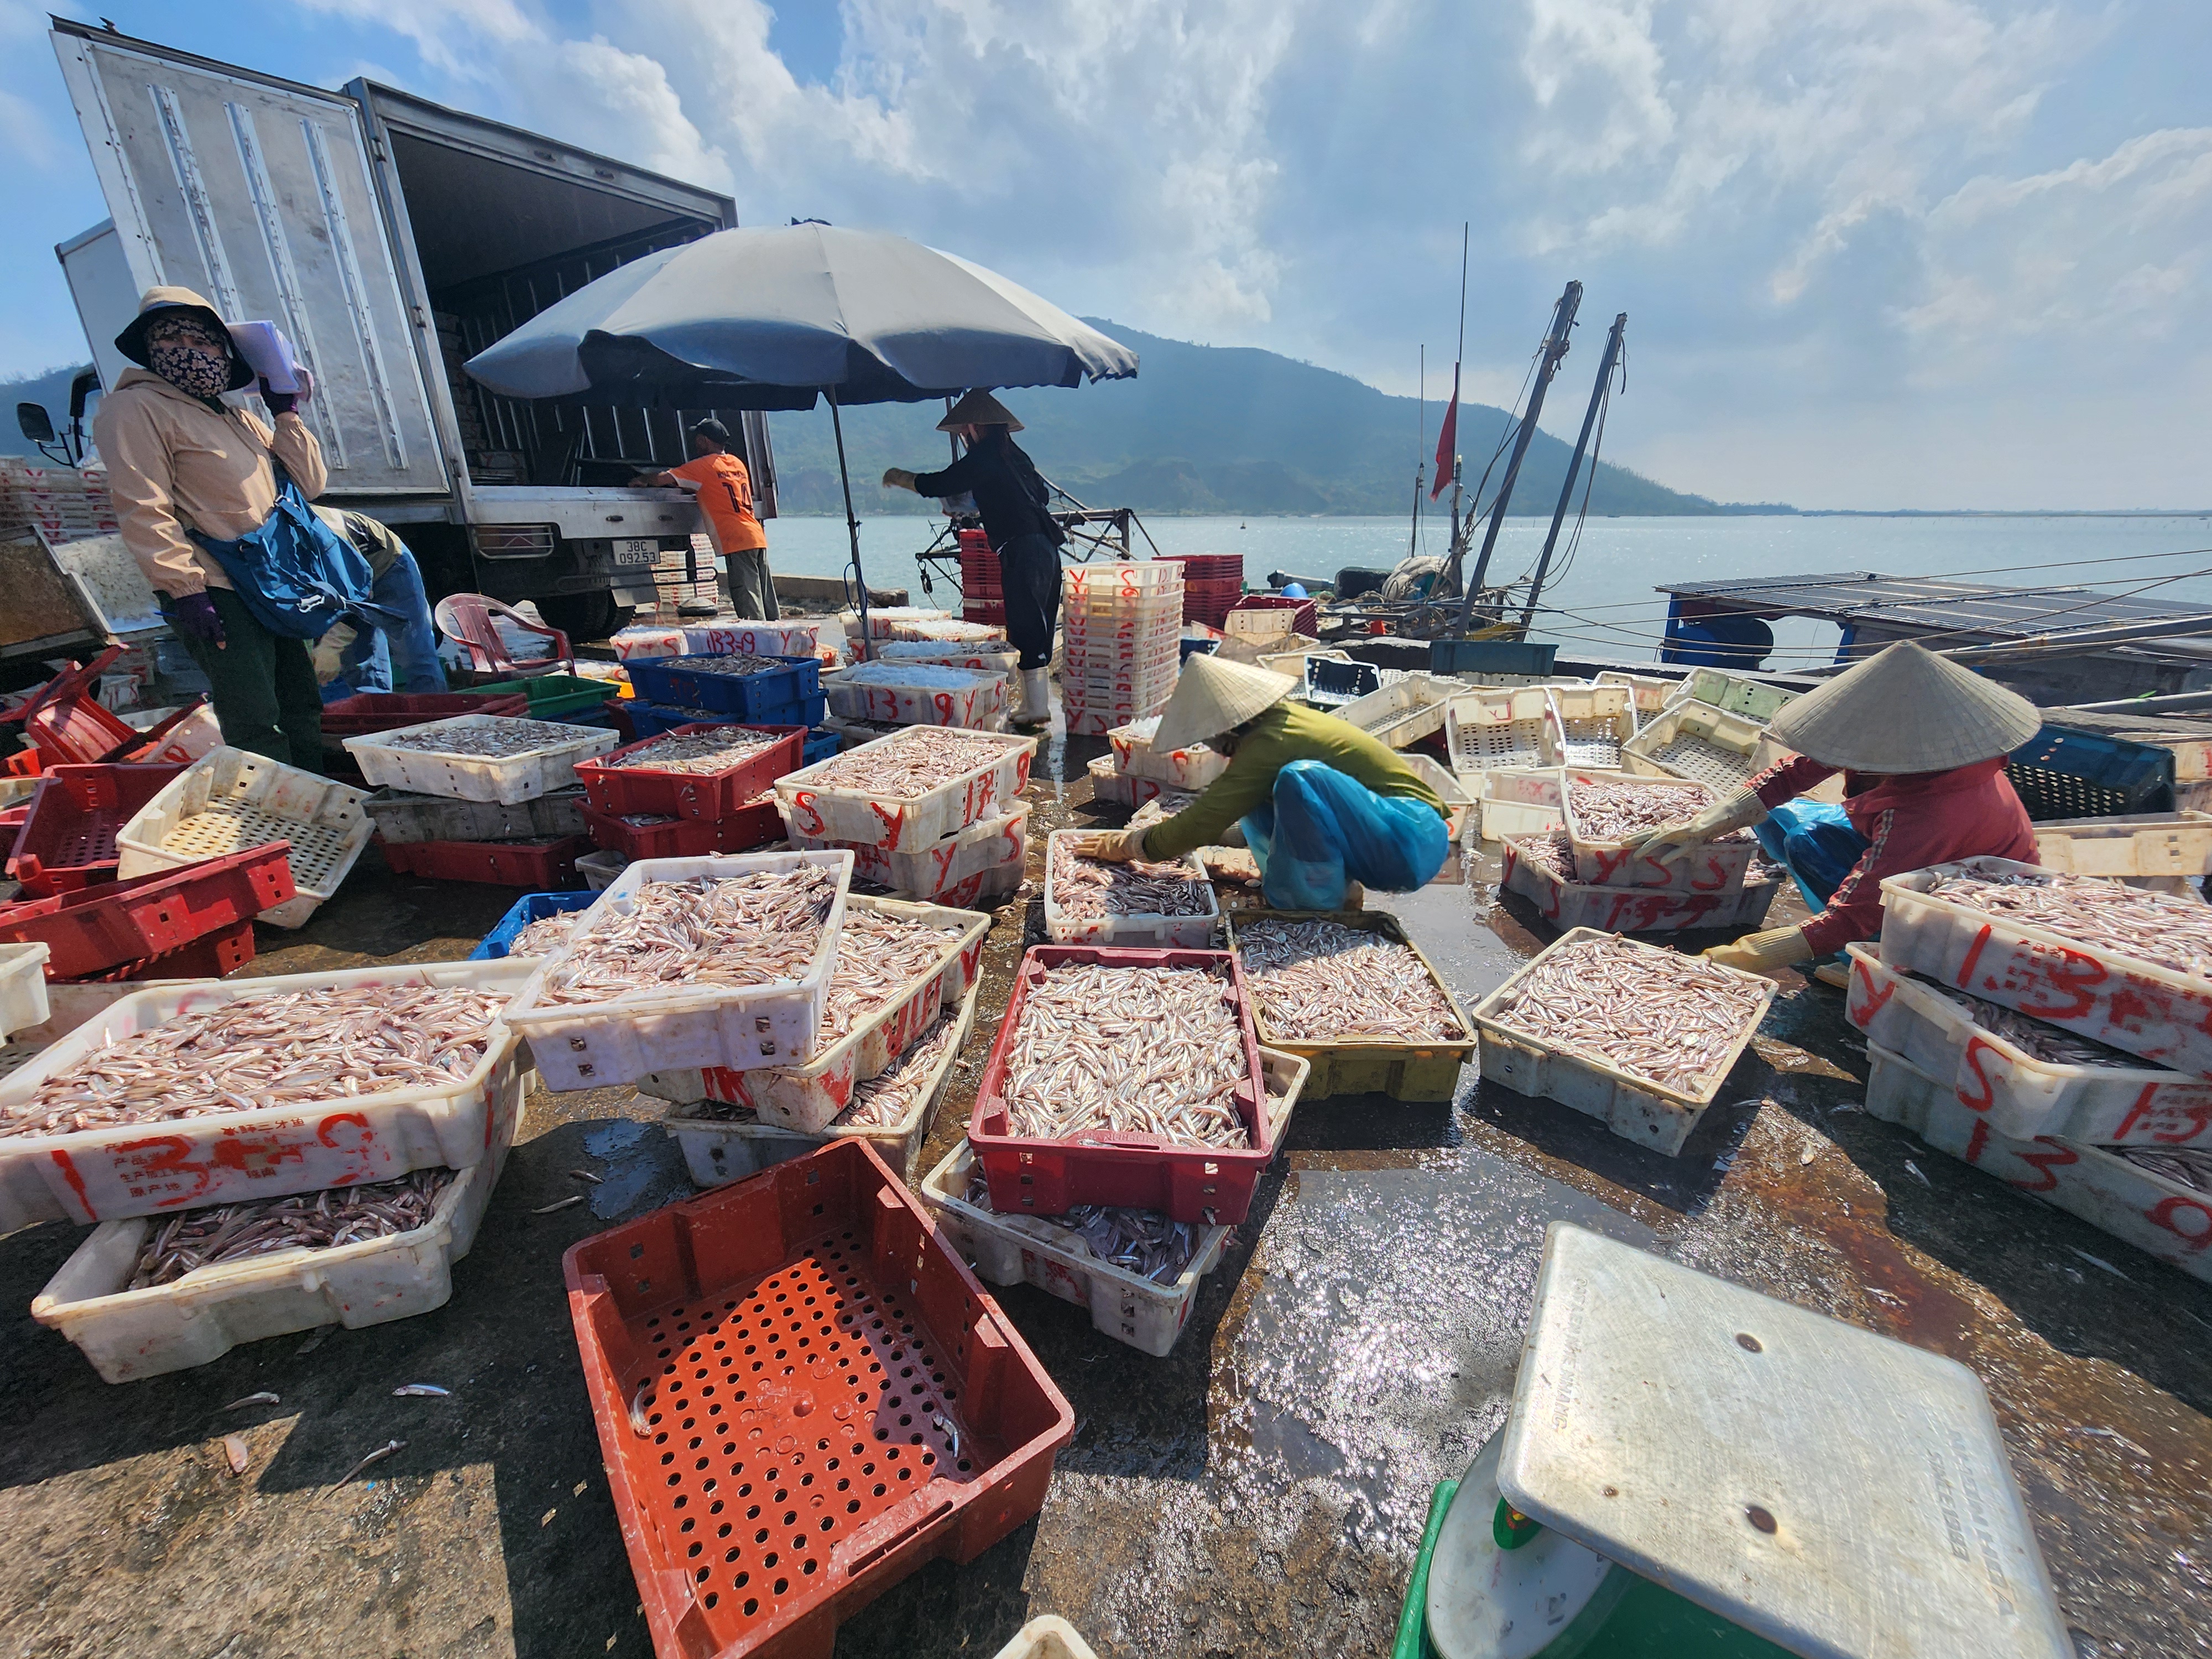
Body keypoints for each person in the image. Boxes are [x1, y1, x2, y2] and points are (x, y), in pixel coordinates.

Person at [1626, 640, 2041, 980]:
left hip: (1958, 906)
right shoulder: (1922, 747)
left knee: (1806, 845)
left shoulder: (1929, 815)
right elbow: (1798, 770)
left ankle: (1873, 959)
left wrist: (1743, 956)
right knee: (1778, 816)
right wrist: (1706, 824)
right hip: (1917, 849)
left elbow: (1855, 913)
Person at [94, 286, 330, 770]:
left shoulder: (238, 417)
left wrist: (286, 414)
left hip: (273, 583)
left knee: (301, 702)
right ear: (150, 349)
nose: (189, 350)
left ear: (225, 353)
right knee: (255, 715)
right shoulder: (135, 408)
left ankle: (321, 794)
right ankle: (276, 809)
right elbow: (142, 504)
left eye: (202, 341)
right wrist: (184, 589)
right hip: (217, 588)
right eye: (171, 338)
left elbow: (310, 482)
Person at [1081, 655, 1454, 910]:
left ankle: (1315, 906)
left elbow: (1205, 819)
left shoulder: (1270, 741)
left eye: (1209, 737)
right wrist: (1221, 837)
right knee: (1263, 792)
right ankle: (1314, 891)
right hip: (1390, 836)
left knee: (1298, 779)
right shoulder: (1278, 724)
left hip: (1410, 842)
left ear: (1226, 727)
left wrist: (1131, 845)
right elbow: (1231, 811)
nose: (1212, 746)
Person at [881, 391, 1063, 724]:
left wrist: (901, 478)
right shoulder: (1015, 456)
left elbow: (942, 483)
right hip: (1047, 548)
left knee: (1025, 622)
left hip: (1022, 548)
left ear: (974, 427)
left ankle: (1037, 708)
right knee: (1037, 623)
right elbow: (1041, 494)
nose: (965, 437)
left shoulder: (985, 457)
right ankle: (1034, 705)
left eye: (965, 431)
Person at [639, 419, 776, 619]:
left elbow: (662, 479)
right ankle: (780, 635)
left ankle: (757, 639)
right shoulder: (737, 463)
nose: (695, 443)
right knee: (766, 599)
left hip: (736, 539)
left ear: (704, 441)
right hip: (756, 536)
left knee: (749, 602)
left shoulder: (703, 466)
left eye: (697, 439)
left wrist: (642, 479)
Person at [309, 507, 448, 696]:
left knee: (416, 655)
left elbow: (355, 592)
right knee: (361, 667)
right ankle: (378, 712)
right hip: (347, 580)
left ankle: (435, 711)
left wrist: (332, 645)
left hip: (388, 566)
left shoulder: (323, 532)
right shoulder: (273, 543)